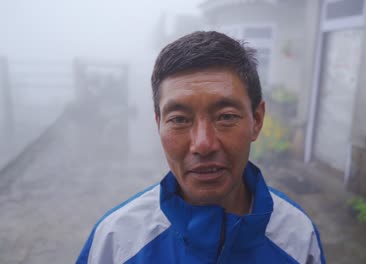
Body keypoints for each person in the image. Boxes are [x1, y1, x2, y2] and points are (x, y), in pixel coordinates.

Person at [77, 31, 325, 264]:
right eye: (179, 120)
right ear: (159, 124)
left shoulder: (298, 238)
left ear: (257, 120)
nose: (203, 144)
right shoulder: (115, 241)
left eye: (226, 116)